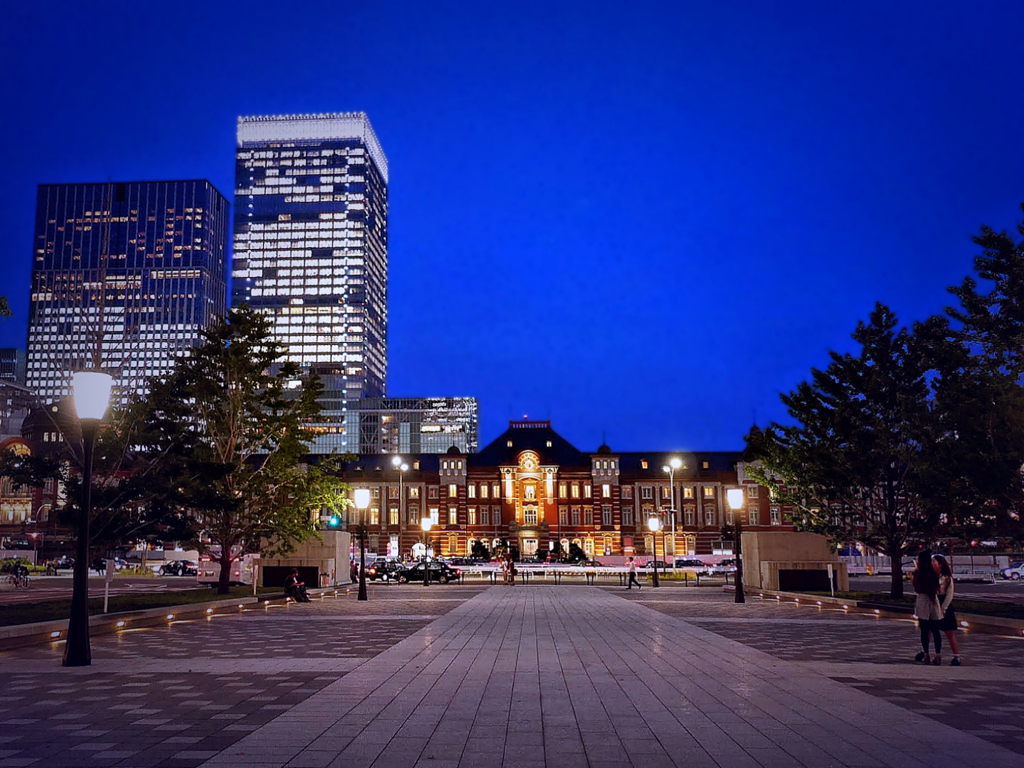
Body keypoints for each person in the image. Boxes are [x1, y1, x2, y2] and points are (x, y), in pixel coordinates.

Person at [912, 549, 943, 664]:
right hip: (934, 600)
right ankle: (938, 654)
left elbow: (917, 587)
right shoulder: (934, 571)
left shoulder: (918, 572)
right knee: (936, 631)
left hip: (923, 600)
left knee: (924, 631)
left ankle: (926, 654)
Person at [933, 555, 962, 666]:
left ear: (940, 564)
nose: (932, 563)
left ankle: (956, 656)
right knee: (930, 631)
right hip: (933, 603)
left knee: (949, 632)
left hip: (944, 604)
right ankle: (928, 652)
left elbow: (949, 596)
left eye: (934, 561)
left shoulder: (947, 578)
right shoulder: (931, 576)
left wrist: (943, 608)